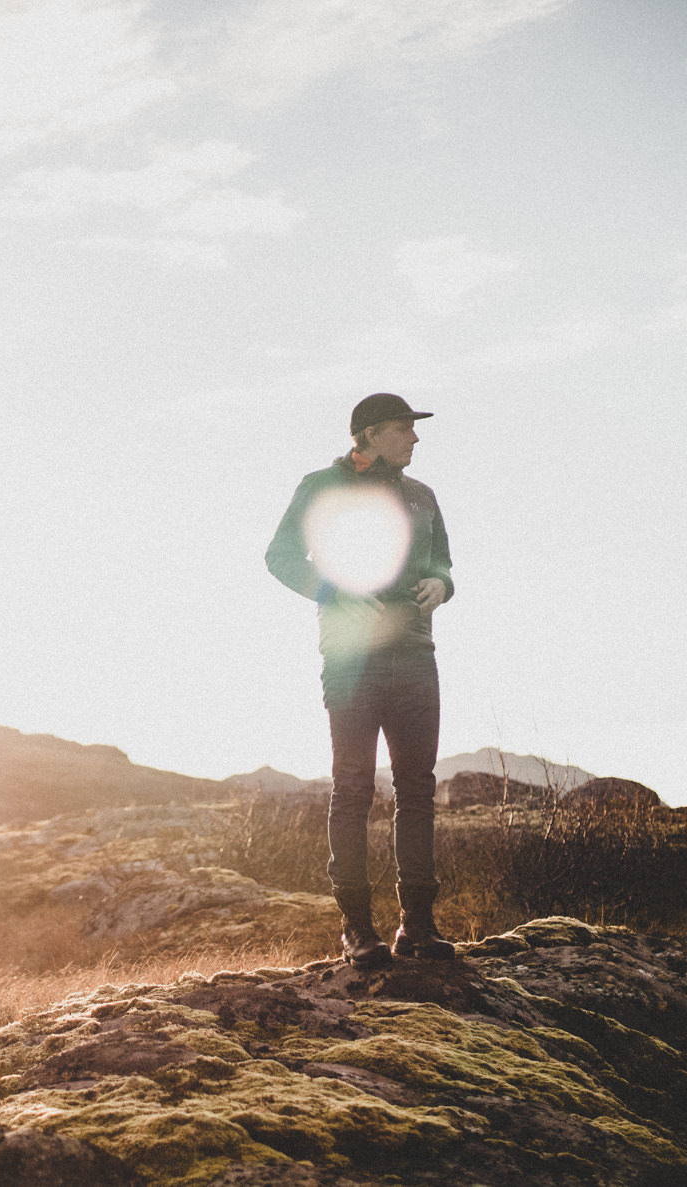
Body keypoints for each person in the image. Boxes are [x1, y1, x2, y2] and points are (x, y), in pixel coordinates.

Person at [265, 392, 456, 967]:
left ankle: (417, 926)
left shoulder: (423, 497)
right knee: (353, 788)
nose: (415, 439)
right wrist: (337, 592)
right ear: (369, 434)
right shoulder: (321, 487)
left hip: (416, 655)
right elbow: (280, 556)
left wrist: (442, 586)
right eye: (404, 429)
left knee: (418, 788)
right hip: (351, 659)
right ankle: (357, 930)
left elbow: (444, 563)